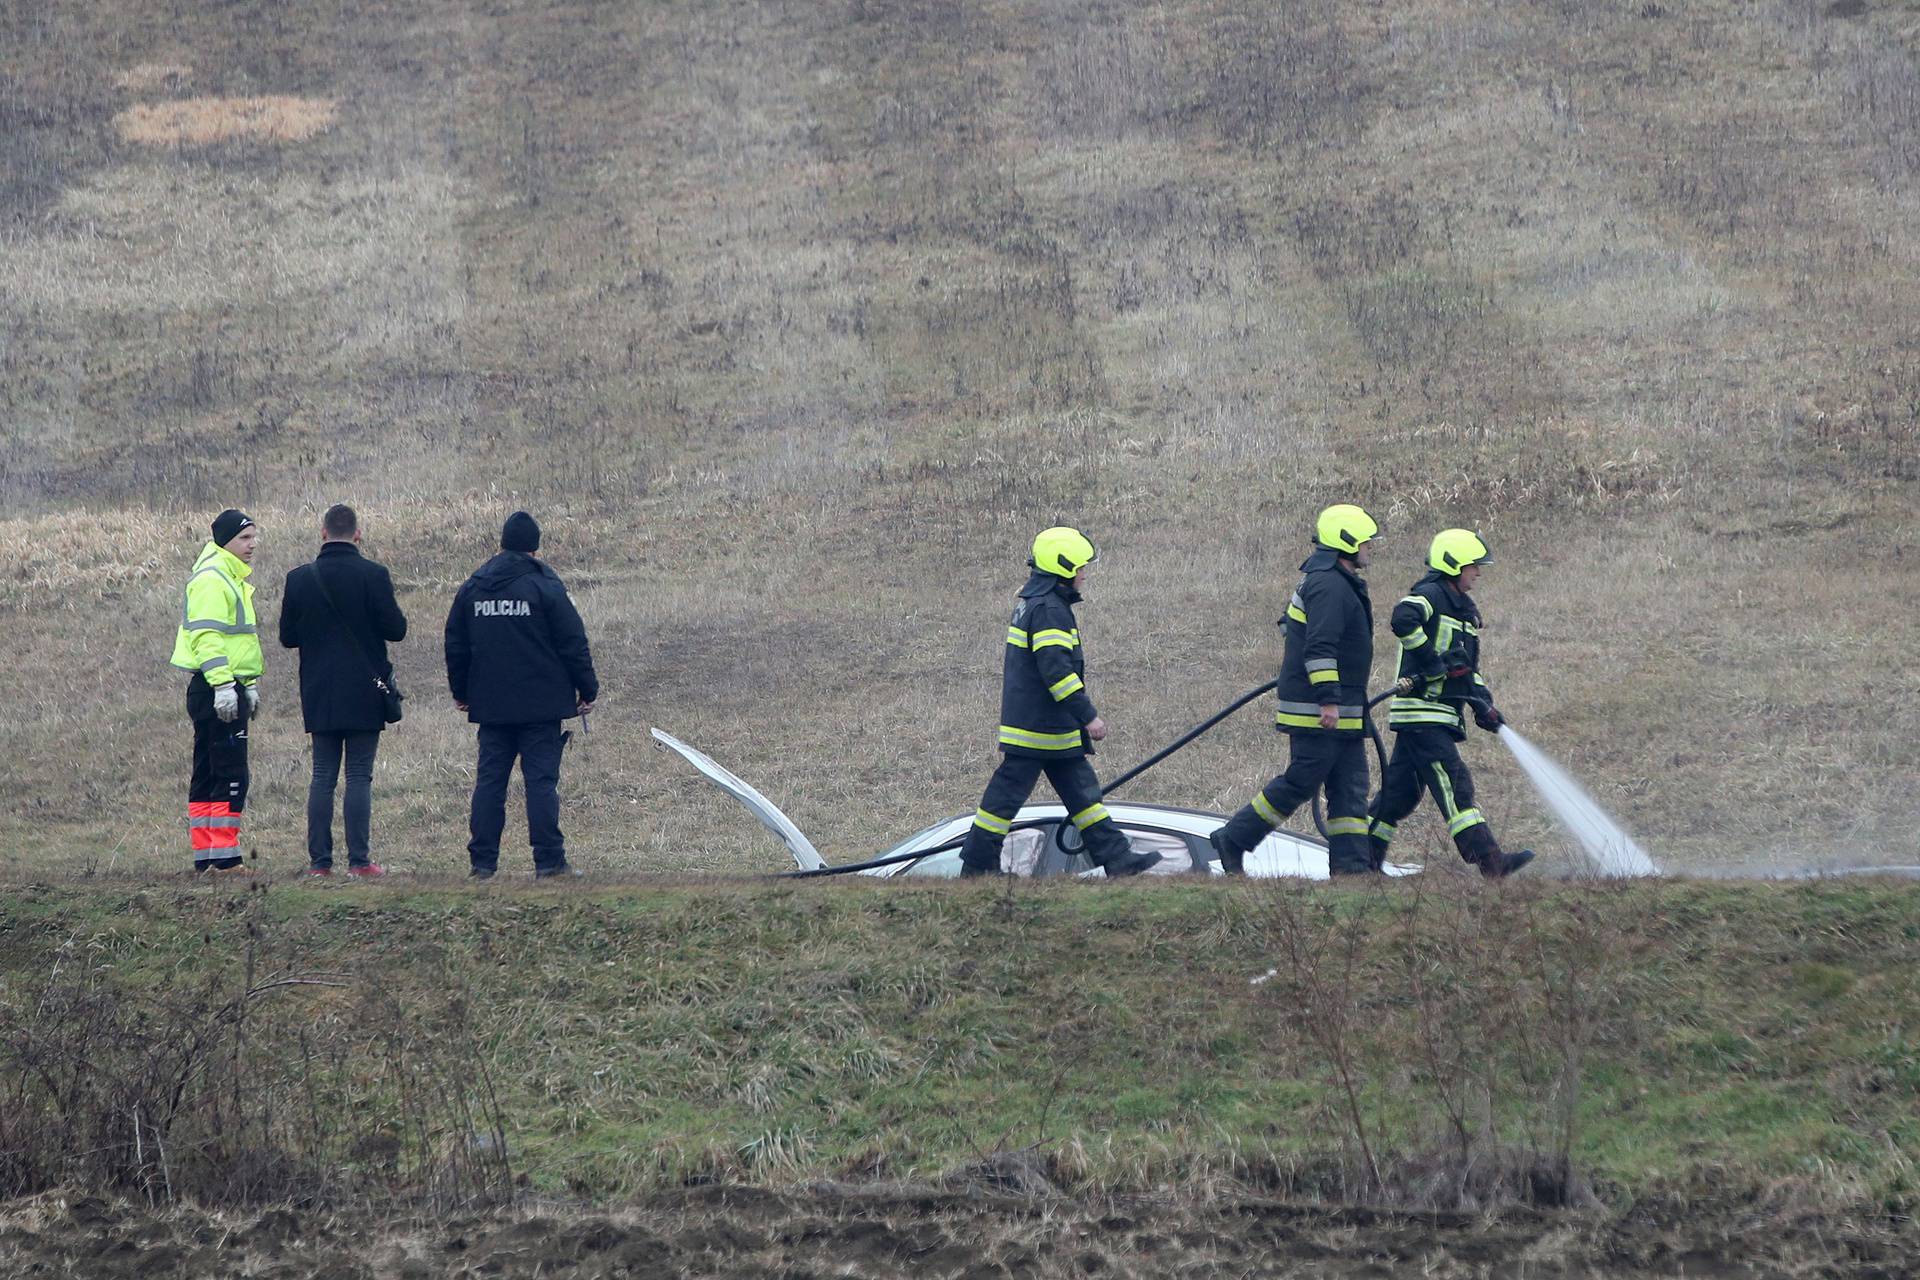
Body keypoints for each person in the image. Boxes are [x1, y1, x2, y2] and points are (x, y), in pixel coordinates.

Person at [957, 528, 1161, 879]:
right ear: (1063, 568)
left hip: (1047, 728)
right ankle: (977, 866)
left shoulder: (1037, 604)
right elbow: (1056, 671)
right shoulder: (1050, 609)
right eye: (1081, 567)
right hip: (1041, 728)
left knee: (1083, 796)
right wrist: (1089, 716)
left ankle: (1118, 858)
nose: (1085, 574)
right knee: (1005, 799)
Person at [1209, 504, 1379, 876]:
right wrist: (1329, 699)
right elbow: (1319, 647)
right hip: (1321, 710)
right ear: (1346, 542)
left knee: (1350, 787)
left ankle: (1352, 870)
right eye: (1366, 541)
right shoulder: (1330, 585)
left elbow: (1293, 628)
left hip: (1344, 708)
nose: (1370, 547)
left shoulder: (1333, 581)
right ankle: (1234, 838)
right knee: (1303, 779)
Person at [1366, 530, 1534, 879]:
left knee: (1398, 797)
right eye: (1473, 566)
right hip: (1422, 713)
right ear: (1454, 565)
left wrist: (1483, 705)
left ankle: (1361, 861)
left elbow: (1467, 669)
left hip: (1437, 715)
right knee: (1454, 784)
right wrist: (1431, 661)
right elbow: (1402, 619)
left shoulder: (1463, 613)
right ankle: (1490, 860)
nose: (1478, 573)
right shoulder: (1430, 596)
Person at [444, 511, 598, 879]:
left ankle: (482, 865)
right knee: (541, 784)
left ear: (502, 543)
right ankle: (549, 862)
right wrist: (587, 688)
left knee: (490, 784)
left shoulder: (474, 587)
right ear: (535, 548)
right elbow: (572, 642)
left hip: (492, 706)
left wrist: (462, 691)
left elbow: (456, 644)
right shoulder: (545, 585)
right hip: (541, 706)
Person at [279, 504, 409, 878]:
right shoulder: (374, 575)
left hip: (319, 689)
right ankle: (359, 861)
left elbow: (288, 638)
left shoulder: (300, 578)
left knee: (322, 775)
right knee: (358, 775)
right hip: (366, 690)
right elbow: (396, 630)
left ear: (322, 533)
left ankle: (320, 864)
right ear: (358, 534)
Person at [168, 509, 263, 873]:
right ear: (226, 541)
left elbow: (237, 643)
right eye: (244, 538)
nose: (252, 544)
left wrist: (248, 685)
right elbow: (207, 638)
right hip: (216, 687)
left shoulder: (227, 575)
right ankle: (225, 859)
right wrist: (225, 685)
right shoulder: (214, 578)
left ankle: (207, 856)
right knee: (230, 772)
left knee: (209, 771)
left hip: (218, 685)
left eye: (254, 537)